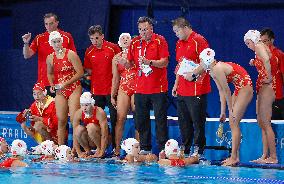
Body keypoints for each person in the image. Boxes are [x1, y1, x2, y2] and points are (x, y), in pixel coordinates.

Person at [119, 16, 169, 154]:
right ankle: (146, 148)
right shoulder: (135, 43)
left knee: (160, 120)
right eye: (140, 29)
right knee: (141, 120)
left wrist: (150, 62)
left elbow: (165, 62)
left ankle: (163, 149)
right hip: (140, 87)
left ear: (151, 28)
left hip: (158, 88)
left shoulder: (160, 40)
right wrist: (124, 63)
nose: (143, 32)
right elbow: (130, 63)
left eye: (145, 29)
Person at [199, 48, 253, 166]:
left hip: (245, 87)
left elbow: (227, 91)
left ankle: (234, 157)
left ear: (205, 60)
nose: (200, 64)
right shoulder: (212, 71)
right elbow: (221, 91)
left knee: (233, 122)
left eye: (201, 61)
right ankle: (235, 156)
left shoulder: (217, 69)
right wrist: (223, 112)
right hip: (239, 87)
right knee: (231, 122)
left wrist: (230, 110)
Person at [171, 17, 210, 156]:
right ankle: (186, 148)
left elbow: (207, 62)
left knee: (197, 121)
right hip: (182, 88)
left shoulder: (199, 40)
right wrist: (176, 84)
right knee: (184, 121)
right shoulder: (178, 43)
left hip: (197, 89)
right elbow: (180, 64)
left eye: (177, 31)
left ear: (185, 27)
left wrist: (193, 74)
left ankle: (199, 149)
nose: (176, 34)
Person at [84, 25, 121, 150]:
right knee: (97, 121)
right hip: (96, 92)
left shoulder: (113, 48)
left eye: (96, 38)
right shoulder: (89, 51)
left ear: (102, 36)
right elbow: (88, 71)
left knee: (115, 120)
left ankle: (116, 148)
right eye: (92, 39)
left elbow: (120, 67)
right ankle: (101, 147)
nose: (94, 41)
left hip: (112, 92)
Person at [22, 13, 76, 95]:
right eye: (46, 24)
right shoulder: (39, 38)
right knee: (47, 107)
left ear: (57, 23)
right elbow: (27, 55)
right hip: (44, 82)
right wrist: (26, 43)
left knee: (61, 107)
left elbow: (73, 58)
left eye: (51, 23)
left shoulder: (67, 37)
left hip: (62, 81)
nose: (48, 26)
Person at [244, 30, 278, 164]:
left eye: (248, 43)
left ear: (253, 40)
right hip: (262, 85)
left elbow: (267, 59)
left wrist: (269, 77)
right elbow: (264, 60)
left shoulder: (258, 46)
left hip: (268, 86)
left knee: (266, 123)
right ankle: (265, 155)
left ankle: (273, 157)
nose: (248, 46)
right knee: (261, 122)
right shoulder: (260, 48)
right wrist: (255, 62)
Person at [46, 31, 84, 146]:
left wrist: (66, 83)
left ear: (62, 42)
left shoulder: (71, 54)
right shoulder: (50, 58)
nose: (57, 44)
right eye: (54, 42)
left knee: (73, 119)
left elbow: (80, 72)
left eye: (58, 41)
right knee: (61, 120)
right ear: (51, 44)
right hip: (60, 90)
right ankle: (61, 147)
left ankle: (75, 149)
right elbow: (49, 73)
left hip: (74, 88)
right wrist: (52, 84)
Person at [111, 33, 138, 156]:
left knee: (138, 116)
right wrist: (113, 94)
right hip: (124, 87)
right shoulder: (116, 58)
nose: (125, 40)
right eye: (122, 38)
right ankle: (117, 149)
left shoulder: (136, 54)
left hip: (136, 87)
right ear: (119, 43)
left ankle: (138, 149)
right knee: (120, 118)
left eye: (127, 38)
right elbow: (115, 78)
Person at [73, 92, 109, 158]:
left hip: (101, 140)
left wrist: (102, 152)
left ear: (92, 104)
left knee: (91, 127)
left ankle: (99, 149)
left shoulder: (100, 112)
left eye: (86, 105)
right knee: (78, 129)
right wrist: (78, 152)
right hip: (90, 140)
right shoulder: (78, 113)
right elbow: (75, 135)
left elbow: (105, 134)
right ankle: (87, 151)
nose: (84, 108)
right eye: (82, 105)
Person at [260, 28, 284, 120]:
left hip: (277, 97)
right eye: (261, 42)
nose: (263, 43)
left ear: (272, 40)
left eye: (265, 41)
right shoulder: (260, 54)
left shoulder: (279, 54)